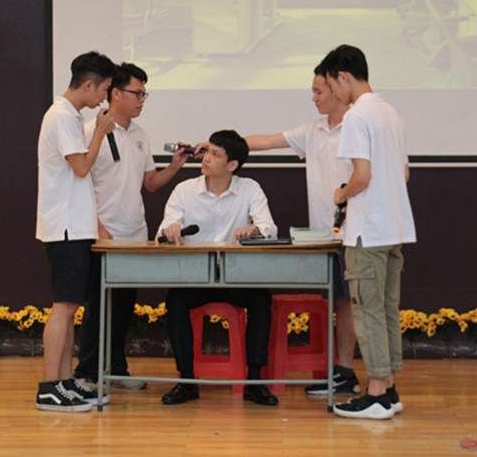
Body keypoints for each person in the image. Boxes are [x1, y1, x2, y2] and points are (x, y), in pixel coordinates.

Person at [73, 63, 190, 390]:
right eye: (137, 93)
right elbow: (79, 183)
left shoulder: (140, 135)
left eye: (144, 94)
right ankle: (88, 372)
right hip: (101, 235)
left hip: (134, 234)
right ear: (115, 93)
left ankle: (117, 370)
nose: (142, 100)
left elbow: (149, 184)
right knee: (99, 306)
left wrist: (174, 167)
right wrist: (97, 226)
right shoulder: (89, 130)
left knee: (124, 306)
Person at [244, 67, 360, 395]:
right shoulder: (312, 130)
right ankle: (340, 371)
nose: (314, 98)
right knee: (337, 302)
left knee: (349, 304)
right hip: (323, 236)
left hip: (354, 232)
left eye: (318, 92)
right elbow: (266, 141)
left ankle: (346, 372)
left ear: (337, 90)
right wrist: (218, 144)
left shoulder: (358, 126)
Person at [316, 44, 416, 420]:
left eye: (331, 85)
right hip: (394, 226)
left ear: (343, 76)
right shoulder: (391, 113)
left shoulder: (357, 116)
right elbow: (403, 173)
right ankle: (388, 388)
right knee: (386, 309)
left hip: (367, 230)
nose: (333, 94)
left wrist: (341, 193)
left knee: (368, 311)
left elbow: (361, 176)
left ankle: (375, 394)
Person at [156, 130, 280, 407]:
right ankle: (187, 381)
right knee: (175, 301)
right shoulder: (185, 190)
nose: (206, 158)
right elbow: (163, 230)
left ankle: (254, 382)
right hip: (196, 277)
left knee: (261, 300)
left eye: (215, 154)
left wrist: (255, 229)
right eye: (206, 151)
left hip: (237, 276)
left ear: (232, 164)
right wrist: (171, 229)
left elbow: (269, 228)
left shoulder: (250, 188)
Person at [34, 51, 118, 412]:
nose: (104, 98)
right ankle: (49, 387)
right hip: (66, 226)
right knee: (64, 306)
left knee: (69, 307)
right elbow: (81, 167)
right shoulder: (64, 117)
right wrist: (99, 132)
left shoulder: (67, 116)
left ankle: (65, 382)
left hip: (74, 226)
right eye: (104, 89)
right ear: (88, 84)